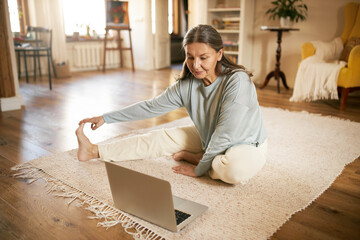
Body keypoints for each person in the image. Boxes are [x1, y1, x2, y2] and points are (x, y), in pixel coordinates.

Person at [76, 24, 267, 184]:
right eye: (190, 57)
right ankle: (93, 151)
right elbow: (150, 107)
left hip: (247, 144)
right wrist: (106, 118)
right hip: (210, 136)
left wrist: (200, 169)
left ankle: (200, 157)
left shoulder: (237, 81)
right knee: (159, 138)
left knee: (232, 170)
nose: (196, 65)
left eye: (203, 57)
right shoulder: (187, 85)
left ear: (219, 54)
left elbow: (225, 134)